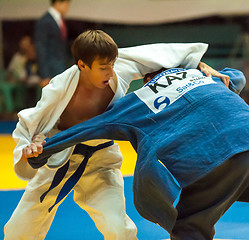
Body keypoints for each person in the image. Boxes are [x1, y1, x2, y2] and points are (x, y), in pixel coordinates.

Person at [29, 66, 249, 240]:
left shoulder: (137, 100)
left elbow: (91, 128)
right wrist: (208, 67)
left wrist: (43, 149)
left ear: (147, 79)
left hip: (213, 158)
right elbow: (237, 78)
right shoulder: (202, 74)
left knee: (189, 229)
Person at [4, 29, 224, 240]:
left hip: (101, 161)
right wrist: (26, 150)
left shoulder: (117, 68)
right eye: (102, 68)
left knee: (118, 229)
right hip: (59, 160)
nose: (110, 72)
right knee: (17, 230)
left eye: (112, 64)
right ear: (82, 65)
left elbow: (162, 54)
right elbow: (27, 124)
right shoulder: (59, 87)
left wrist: (198, 64)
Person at [34, 0, 71, 87]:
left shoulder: (59, 19)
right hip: (51, 68)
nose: (68, 8)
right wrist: (45, 74)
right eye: (66, 5)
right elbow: (41, 47)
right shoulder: (45, 21)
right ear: (58, 3)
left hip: (61, 65)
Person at [7, 36, 42, 110]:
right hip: (23, 81)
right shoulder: (18, 58)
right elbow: (12, 72)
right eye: (23, 44)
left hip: (36, 81)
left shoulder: (38, 59)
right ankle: (19, 108)